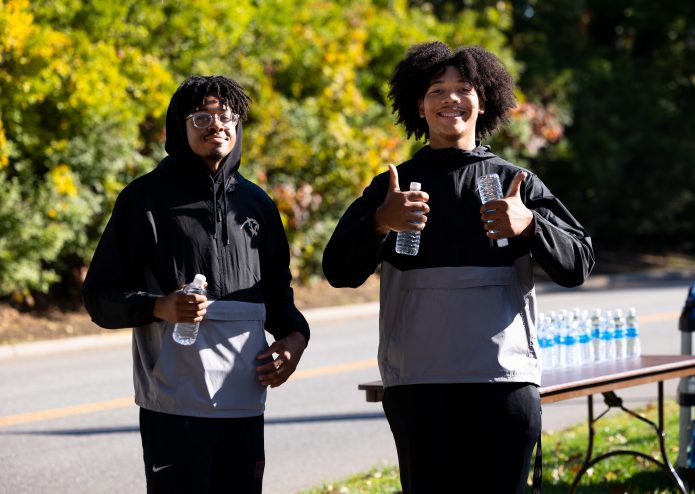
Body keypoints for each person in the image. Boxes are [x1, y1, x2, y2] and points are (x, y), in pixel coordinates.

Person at [322, 42, 595, 493]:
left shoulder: (514, 183)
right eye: (436, 89)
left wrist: (530, 227)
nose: (451, 98)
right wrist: (378, 223)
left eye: (463, 88)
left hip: (503, 383)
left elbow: (578, 264)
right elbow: (338, 271)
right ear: (419, 105)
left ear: (483, 100)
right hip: (418, 385)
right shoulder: (393, 187)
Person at [82, 75, 309, 494]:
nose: (216, 125)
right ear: (179, 128)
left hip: (243, 402)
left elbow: (279, 297)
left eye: (226, 116)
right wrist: (159, 306)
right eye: (201, 116)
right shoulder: (144, 199)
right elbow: (99, 297)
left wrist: (295, 340)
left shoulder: (258, 204)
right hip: (174, 405)